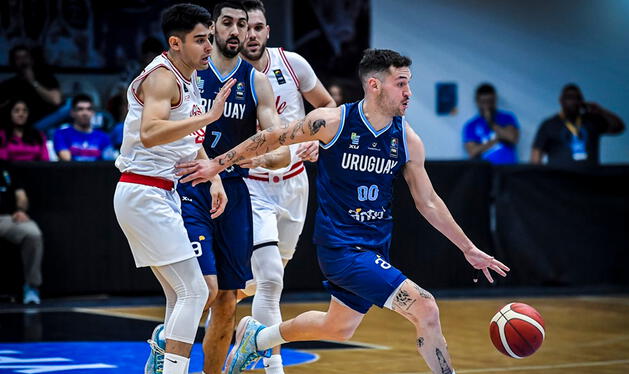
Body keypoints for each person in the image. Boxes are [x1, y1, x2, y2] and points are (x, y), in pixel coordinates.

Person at [177, 48, 510, 374]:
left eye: (409, 83)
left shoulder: (407, 139)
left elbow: (429, 201)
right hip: (341, 248)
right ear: (374, 85)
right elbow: (272, 138)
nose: (408, 92)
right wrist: (216, 165)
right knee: (425, 306)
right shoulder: (332, 122)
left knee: (338, 327)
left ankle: (259, 338)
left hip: (376, 245)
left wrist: (468, 248)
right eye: (401, 83)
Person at [112, 4, 234, 374]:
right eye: (200, 40)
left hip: (161, 192)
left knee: (178, 294)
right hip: (143, 190)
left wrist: (213, 176)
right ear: (175, 43)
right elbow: (150, 133)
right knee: (196, 292)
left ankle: (162, 364)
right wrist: (210, 116)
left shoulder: (189, 77)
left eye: (210, 38)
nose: (209, 47)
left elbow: (188, 136)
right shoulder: (162, 78)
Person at [176, 2, 286, 373]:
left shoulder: (256, 81)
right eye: (228, 23)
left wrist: (260, 158)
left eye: (243, 23)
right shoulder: (188, 74)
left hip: (236, 195)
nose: (237, 31)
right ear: (213, 29)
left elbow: (280, 153)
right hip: (190, 186)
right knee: (196, 290)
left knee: (227, 299)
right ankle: (166, 354)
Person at [238, 1, 336, 372]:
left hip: (295, 183)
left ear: (268, 31)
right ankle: (272, 367)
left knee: (264, 277)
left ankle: (222, 304)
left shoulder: (293, 64)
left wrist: (318, 138)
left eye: (258, 27)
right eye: (245, 28)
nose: (251, 35)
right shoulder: (228, 76)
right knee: (271, 281)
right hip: (253, 185)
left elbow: (326, 105)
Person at [531, 84, 625, 167]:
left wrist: (601, 111)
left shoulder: (592, 120)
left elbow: (619, 127)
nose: (573, 101)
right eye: (569, 97)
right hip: (559, 182)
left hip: (588, 181)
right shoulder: (549, 124)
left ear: (582, 101)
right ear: (561, 100)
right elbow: (536, 155)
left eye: (577, 98)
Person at [0, 161, 44, 304]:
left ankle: (32, 287)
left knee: (32, 233)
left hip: (7, 218)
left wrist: (20, 210)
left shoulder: (6, 168)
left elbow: (21, 196)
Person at [0, 45, 62, 123]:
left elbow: (56, 101)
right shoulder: (9, 84)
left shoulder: (46, 78)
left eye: (26, 57)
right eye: (18, 58)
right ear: (13, 62)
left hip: (45, 123)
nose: (23, 61)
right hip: (19, 126)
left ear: (32, 60)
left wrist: (33, 82)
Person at [462, 84, 519, 164]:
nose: (487, 105)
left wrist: (491, 122)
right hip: (484, 171)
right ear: (477, 102)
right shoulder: (471, 125)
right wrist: (496, 140)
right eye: (483, 102)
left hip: (507, 168)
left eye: (490, 101)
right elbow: (472, 152)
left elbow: (512, 138)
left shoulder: (507, 118)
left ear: (495, 100)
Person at [53, 94, 112, 161]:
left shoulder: (103, 137)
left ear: (93, 112)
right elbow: (67, 161)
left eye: (88, 109)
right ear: (72, 112)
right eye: (80, 109)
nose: (85, 113)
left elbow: (109, 162)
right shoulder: (61, 134)